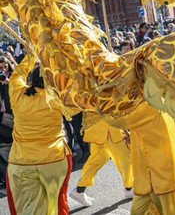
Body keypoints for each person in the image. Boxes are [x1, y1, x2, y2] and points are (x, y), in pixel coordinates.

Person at [7, 58, 72, 215]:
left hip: (21, 162)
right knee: (55, 207)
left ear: (31, 79)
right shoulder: (58, 98)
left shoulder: (17, 94)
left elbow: (16, 74)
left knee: (28, 209)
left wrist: (31, 55)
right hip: (54, 159)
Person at [69, 115, 134, 207]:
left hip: (97, 128)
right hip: (110, 127)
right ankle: (129, 188)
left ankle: (79, 190)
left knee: (96, 161)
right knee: (125, 159)